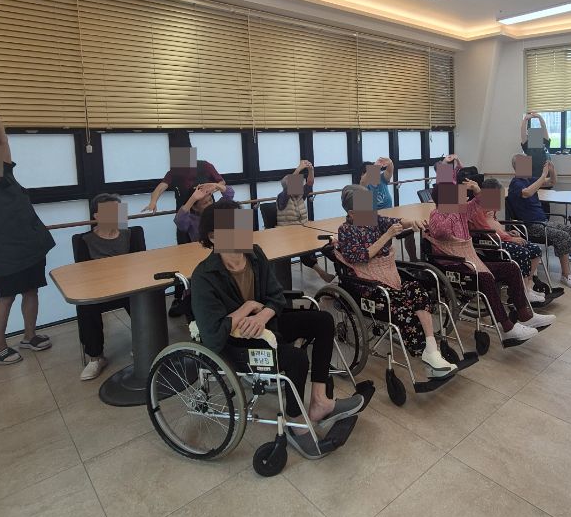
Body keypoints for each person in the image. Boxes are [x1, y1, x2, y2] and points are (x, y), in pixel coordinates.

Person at [190, 199, 363, 456]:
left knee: (323, 321)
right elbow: (213, 335)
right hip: (235, 343)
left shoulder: (254, 254)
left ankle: (320, 401)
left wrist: (262, 316)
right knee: (296, 359)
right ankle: (296, 422)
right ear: (213, 236)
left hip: (267, 326)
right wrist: (248, 307)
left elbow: (276, 296)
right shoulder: (204, 276)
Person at [336, 185, 456, 375]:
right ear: (352, 213)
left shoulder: (373, 219)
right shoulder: (346, 231)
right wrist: (387, 235)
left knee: (417, 289)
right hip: (368, 285)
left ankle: (431, 347)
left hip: (390, 278)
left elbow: (398, 222)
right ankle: (426, 355)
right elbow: (361, 257)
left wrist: (413, 222)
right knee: (403, 309)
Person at [0, 104, 55, 364]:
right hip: (5, 254)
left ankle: (29, 336)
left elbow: (2, 140)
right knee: (5, 298)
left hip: (31, 245)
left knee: (32, 291)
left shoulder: (5, 173)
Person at [428, 181, 555, 346]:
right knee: (486, 278)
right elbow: (442, 231)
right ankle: (507, 328)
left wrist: (477, 190)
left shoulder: (460, 211)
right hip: (452, 264)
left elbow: (482, 203)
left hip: (469, 259)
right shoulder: (436, 215)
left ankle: (525, 315)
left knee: (511, 268)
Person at [143, 130, 229, 315]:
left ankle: (215, 291)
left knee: (217, 250)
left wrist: (213, 188)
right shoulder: (175, 171)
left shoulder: (204, 166)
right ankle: (181, 297)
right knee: (184, 258)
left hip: (209, 213)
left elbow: (224, 185)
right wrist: (153, 201)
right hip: (186, 217)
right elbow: (160, 187)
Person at [507, 156, 571, 289]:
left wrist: (552, 170)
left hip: (543, 222)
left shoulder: (529, 180)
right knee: (562, 236)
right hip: (530, 226)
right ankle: (566, 274)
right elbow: (527, 193)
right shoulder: (515, 183)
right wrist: (543, 175)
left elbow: (552, 181)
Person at [76, 193, 145, 380]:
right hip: (100, 290)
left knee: (146, 296)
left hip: (129, 286)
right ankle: (96, 357)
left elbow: (141, 264)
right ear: (97, 216)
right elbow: (83, 273)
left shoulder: (130, 235)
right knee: (85, 306)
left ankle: (143, 344)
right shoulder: (85, 241)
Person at [465, 177, 546, 304]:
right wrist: (510, 238)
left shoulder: (489, 205)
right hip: (490, 243)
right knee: (523, 253)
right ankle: (523, 292)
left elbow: (494, 224)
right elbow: (486, 230)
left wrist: (507, 233)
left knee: (535, 249)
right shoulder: (476, 209)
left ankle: (528, 286)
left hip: (500, 238)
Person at [276, 159, 334, 283]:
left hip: (302, 229)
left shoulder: (299, 195)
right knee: (306, 247)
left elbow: (310, 183)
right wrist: (299, 169)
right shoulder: (282, 197)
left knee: (322, 241)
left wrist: (310, 170)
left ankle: (333, 265)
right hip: (288, 232)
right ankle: (321, 272)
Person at [360, 157, 417, 261]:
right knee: (385, 238)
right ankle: (384, 261)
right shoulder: (364, 188)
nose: (375, 173)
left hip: (390, 218)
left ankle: (414, 260)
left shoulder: (382, 180)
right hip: (376, 222)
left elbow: (389, 171)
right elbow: (363, 182)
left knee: (409, 229)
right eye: (372, 171)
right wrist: (374, 168)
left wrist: (390, 162)